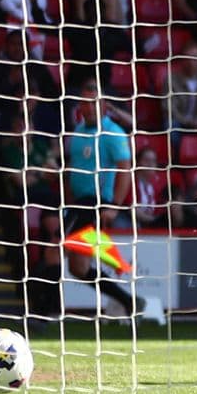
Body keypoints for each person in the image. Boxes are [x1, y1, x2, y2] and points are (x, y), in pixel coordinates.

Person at [64, 81, 162, 323]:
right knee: (77, 267)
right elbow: (72, 169)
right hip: (77, 203)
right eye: (84, 102)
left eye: (93, 102)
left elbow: (124, 170)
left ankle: (43, 313)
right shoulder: (77, 132)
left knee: (69, 261)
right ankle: (130, 302)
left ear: (103, 105)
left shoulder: (113, 133)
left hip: (96, 203)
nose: (87, 107)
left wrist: (114, 205)